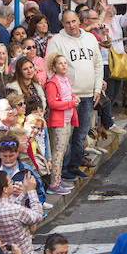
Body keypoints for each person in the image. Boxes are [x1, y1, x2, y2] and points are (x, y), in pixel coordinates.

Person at [44, 10, 102, 182]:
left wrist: (97, 89)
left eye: (74, 21)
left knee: (82, 133)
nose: (72, 25)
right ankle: (64, 169)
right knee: (65, 136)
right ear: (63, 24)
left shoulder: (90, 38)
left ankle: (75, 165)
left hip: (88, 94)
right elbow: (49, 67)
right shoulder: (56, 41)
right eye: (67, 22)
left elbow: (98, 64)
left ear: (80, 21)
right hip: (67, 98)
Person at [0, 170, 44, 254]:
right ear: (5, 189)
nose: (12, 183)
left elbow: (9, 207)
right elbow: (38, 215)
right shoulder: (16, 211)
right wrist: (31, 191)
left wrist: (24, 193)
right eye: (10, 182)